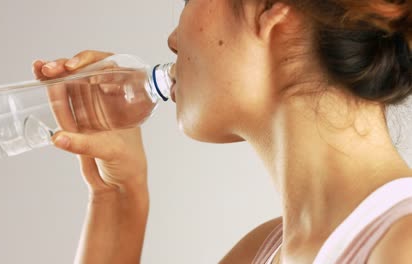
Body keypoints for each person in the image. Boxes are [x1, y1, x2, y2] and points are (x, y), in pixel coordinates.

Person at [31, 0, 412, 263]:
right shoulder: (259, 253)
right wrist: (117, 196)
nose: (173, 39)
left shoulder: (403, 245)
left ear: (269, 7)